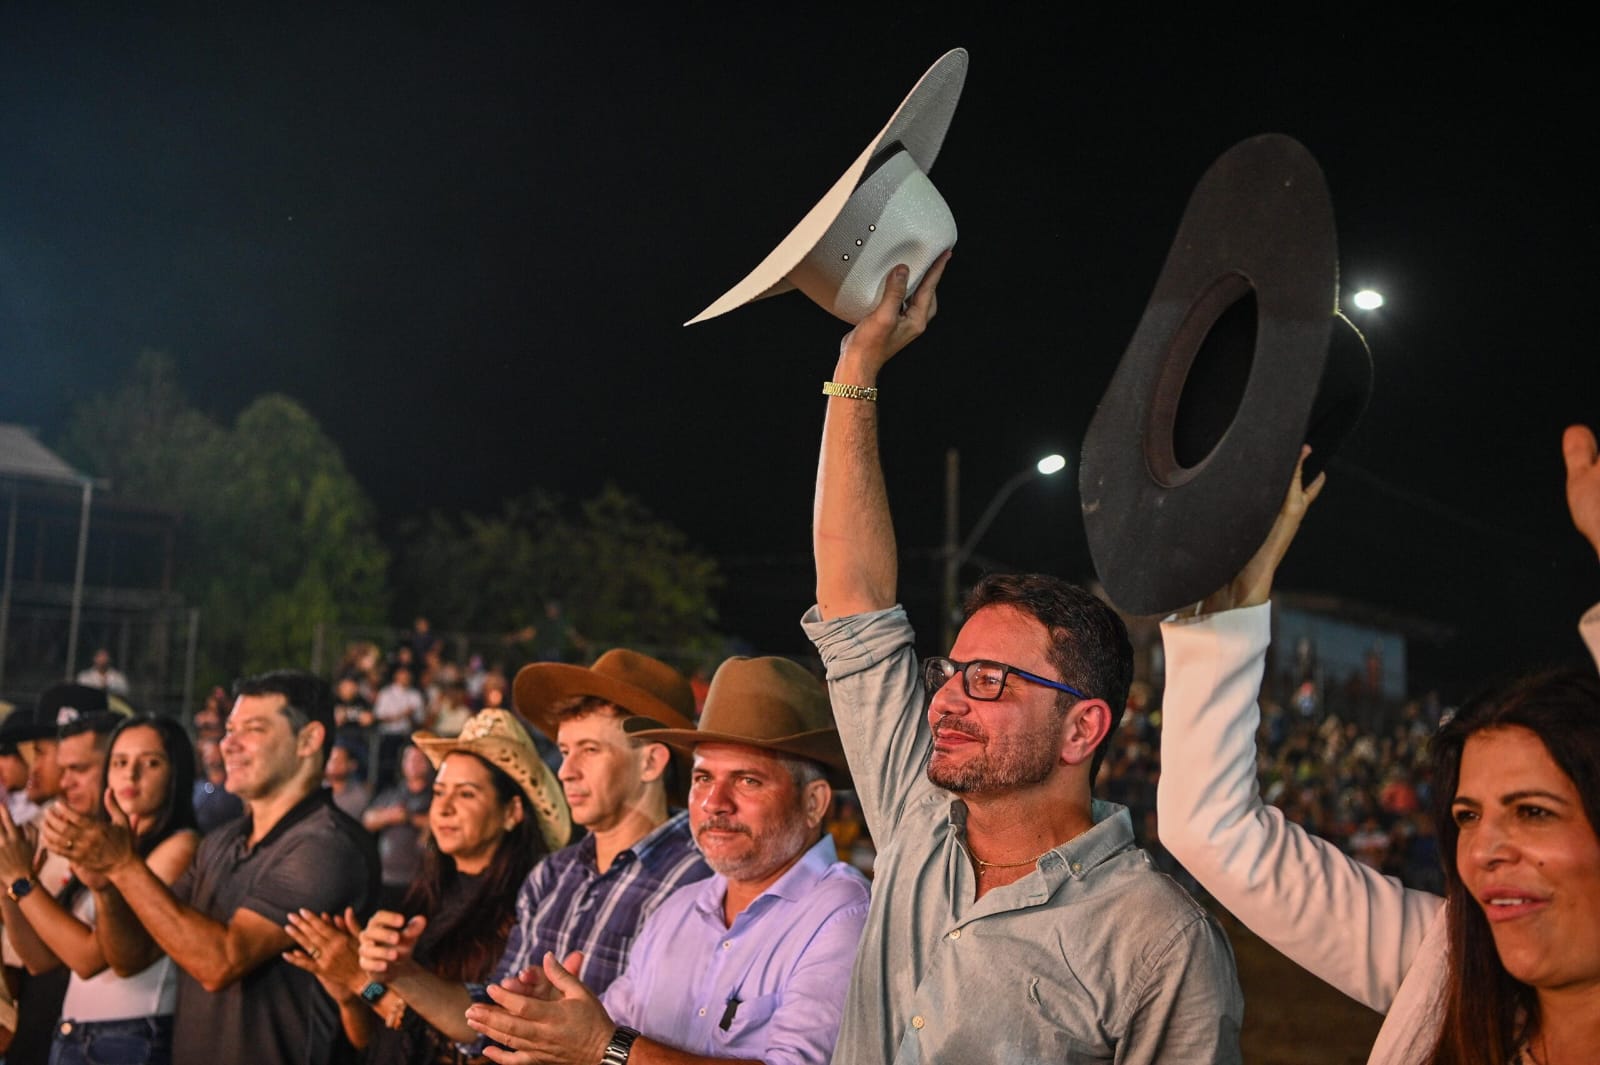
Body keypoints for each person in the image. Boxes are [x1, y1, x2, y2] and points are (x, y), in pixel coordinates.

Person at [804, 258, 1242, 1063]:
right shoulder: (916, 812)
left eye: (988, 680)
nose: (944, 701)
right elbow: (854, 596)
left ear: (1083, 727)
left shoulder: (1156, 941)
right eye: (950, 672)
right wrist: (856, 368)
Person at [1159, 432, 1600, 1065]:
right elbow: (1213, 828)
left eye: (1533, 811)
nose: (1486, 851)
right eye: (1467, 816)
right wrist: (1223, 624)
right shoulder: (1442, 967)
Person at [463, 656, 871, 1064]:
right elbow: (602, 1035)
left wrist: (603, 1047)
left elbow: (606, 1045)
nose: (715, 803)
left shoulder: (844, 914)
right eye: (703, 778)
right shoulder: (678, 911)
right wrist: (555, 1032)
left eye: (748, 780)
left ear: (814, 803)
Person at [358, 650, 710, 1049]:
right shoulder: (554, 873)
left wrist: (589, 1046)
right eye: (564, 751)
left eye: (590, 750)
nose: (566, 770)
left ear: (650, 763)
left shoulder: (702, 880)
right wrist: (400, 973)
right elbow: (494, 1019)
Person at [45, 670, 380, 1065]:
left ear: (308, 740)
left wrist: (123, 866)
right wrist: (105, 888)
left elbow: (222, 962)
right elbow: (131, 957)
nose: (229, 745)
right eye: (229, 729)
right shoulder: (222, 841)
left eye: (252, 729)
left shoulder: (327, 845)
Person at [285, 707, 569, 1063]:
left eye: (466, 794)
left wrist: (363, 982)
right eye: (439, 792)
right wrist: (347, 993)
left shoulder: (528, 910)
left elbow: (479, 1047)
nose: (444, 808)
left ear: (512, 812)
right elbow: (372, 1040)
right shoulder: (424, 895)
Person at [0, 716, 197, 1065]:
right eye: (120, 763)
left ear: (176, 772)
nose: (130, 775)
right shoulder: (105, 843)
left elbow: (92, 958)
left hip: (129, 1036)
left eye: (150, 763)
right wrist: (8, 882)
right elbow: (41, 959)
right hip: (77, 1032)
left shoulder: (179, 846)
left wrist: (22, 881)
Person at [365, 744, 435, 908]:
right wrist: (390, 816)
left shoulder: (436, 794)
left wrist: (409, 818)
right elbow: (368, 819)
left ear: (429, 763)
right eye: (409, 758)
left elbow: (437, 821)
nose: (413, 763)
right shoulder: (392, 793)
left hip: (421, 879)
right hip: (387, 879)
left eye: (419, 759)